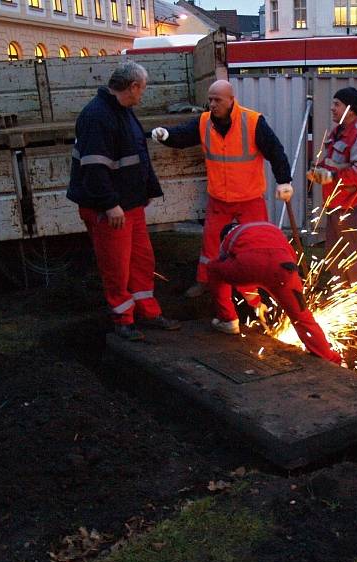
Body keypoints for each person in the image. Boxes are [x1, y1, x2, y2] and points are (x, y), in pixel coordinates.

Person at [67, 61, 181, 342]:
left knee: (142, 261)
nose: (143, 94)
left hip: (130, 205)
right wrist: (109, 204)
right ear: (132, 87)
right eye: (142, 88)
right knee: (116, 267)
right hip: (111, 209)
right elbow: (94, 167)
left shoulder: (122, 112)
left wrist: (145, 192)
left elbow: (134, 154)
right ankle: (123, 320)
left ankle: (148, 312)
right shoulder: (98, 116)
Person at [151, 80, 293, 303]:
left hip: (250, 199)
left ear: (231, 100)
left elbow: (275, 151)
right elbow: (183, 136)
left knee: (255, 245)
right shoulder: (204, 121)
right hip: (219, 200)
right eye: (210, 100)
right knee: (210, 245)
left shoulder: (253, 121)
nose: (212, 104)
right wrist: (166, 135)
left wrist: (284, 181)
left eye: (217, 100)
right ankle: (205, 280)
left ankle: (253, 289)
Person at [207, 221, 342, 366]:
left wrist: (253, 300)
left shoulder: (230, 237)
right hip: (284, 269)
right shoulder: (270, 229)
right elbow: (289, 258)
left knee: (213, 269)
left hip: (248, 265)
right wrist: (257, 303)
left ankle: (228, 320)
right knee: (302, 317)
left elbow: (237, 268)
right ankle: (330, 358)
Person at [307, 86, 357, 286]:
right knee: (335, 254)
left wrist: (329, 175)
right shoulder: (338, 132)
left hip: (351, 206)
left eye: (337, 104)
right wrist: (317, 171)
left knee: (354, 256)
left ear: (351, 109)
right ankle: (341, 295)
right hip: (335, 204)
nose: (332, 108)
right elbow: (331, 162)